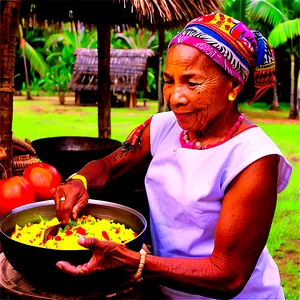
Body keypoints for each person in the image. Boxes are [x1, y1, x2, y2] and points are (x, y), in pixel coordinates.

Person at [52, 12, 292, 299]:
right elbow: (108, 167)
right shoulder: (162, 127)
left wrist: (134, 262)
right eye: (169, 81)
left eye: (191, 83)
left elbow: (228, 275)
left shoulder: (253, 158)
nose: (175, 97)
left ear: (233, 87)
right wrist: (79, 180)